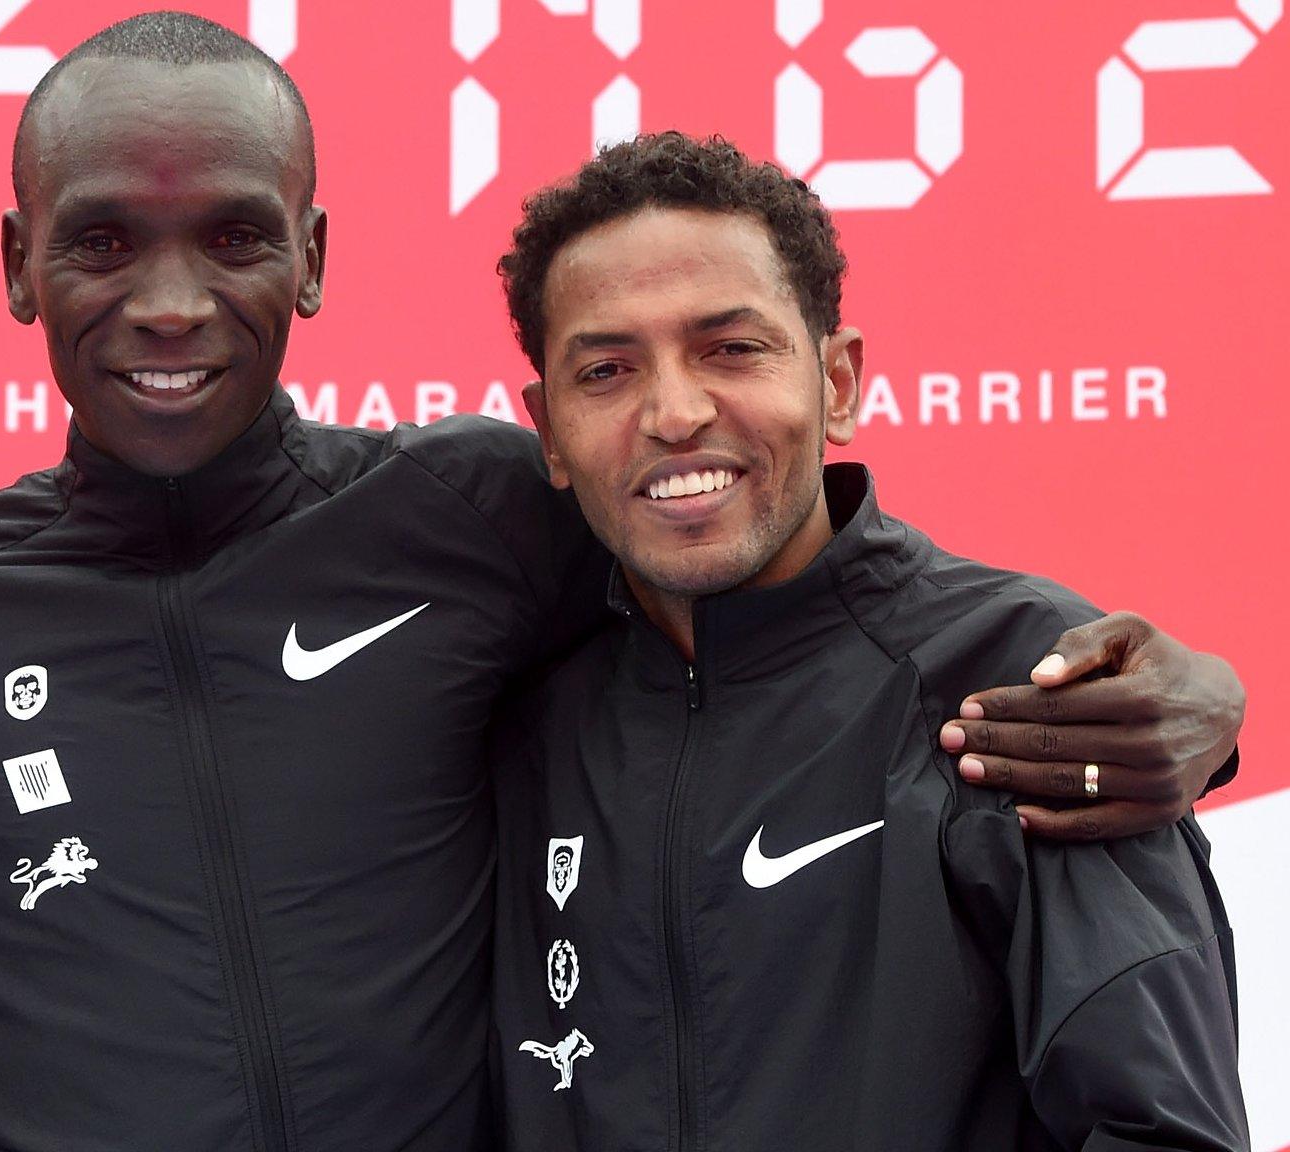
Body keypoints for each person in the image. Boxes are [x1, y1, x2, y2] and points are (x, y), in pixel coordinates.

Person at [0, 14, 1244, 1151]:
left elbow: (782, 611)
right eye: (104, 240)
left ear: (310, 261)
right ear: (17, 264)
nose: (172, 302)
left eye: (237, 237)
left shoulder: (474, 517)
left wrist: (1194, 702)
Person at [492, 131, 1246, 1149]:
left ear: (837, 381)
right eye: (606, 370)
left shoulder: (1028, 680)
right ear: (545, 429)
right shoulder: (511, 716)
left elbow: (1158, 1133)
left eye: (730, 348)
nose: (672, 412)